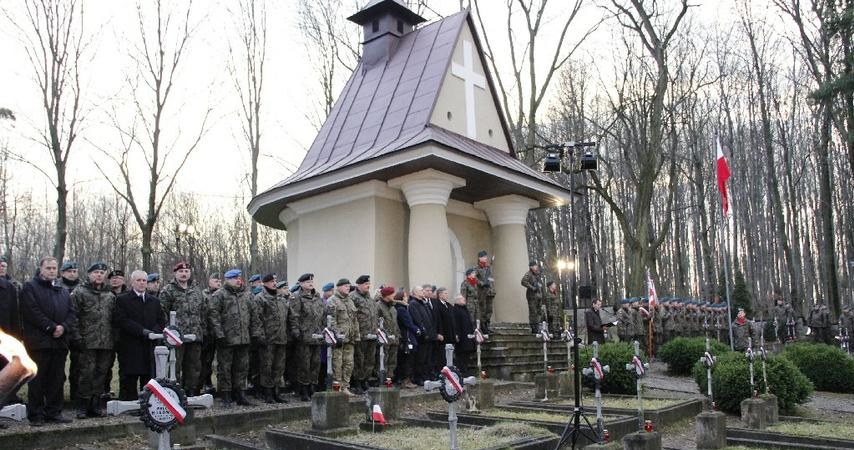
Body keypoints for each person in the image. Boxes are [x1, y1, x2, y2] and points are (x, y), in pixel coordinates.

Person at [21, 256, 76, 425]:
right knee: (38, 380)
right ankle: (36, 414)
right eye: (48, 268)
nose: (52, 271)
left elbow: (71, 313)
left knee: (57, 378)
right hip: (39, 342)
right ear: (41, 268)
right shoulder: (30, 287)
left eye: (54, 268)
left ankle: (54, 411)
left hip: (59, 342)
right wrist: (52, 327)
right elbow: (32, 312)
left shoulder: (62, 289)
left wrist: (63, 327)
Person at [208, 269, 260, 407]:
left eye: (239, 278)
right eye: (235, 278)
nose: (238, 280)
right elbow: (214, 316)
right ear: (227, 280)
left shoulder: (247, 295)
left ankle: (241, 393)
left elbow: (254, 316)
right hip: (227, 339)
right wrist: (219, 335)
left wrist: (255, 333)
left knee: (242, 367)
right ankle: (225, 395)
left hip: (243, 338)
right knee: (225, 368)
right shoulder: (219, 295)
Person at [69, 262, 115, 419]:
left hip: (106, 342)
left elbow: (113, 319)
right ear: (89, 274)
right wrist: (76, 337)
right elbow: (73, 317)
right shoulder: (79, 292)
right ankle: (82, 405)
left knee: (101, 374)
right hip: (87, 341)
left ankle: (96, 404)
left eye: (102, 273)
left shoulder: (110, 295)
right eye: (96, 272)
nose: (99, 275)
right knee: (85, 374)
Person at [114, 270, 165, 401]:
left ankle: (146, 403)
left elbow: (161, 320)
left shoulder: (154, 301)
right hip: (130, 344)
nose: (142, 283)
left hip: (149, 345)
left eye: (144, 281)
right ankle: (128, 403)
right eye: (139, 280)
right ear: (132, 282)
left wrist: (154, 332)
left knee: (148, 376)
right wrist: (142, 331)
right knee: (129, 376)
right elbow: (122, 320)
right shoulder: (122, 300)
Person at [158, 261, 207, 396]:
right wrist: (169, 332)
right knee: (175, 366)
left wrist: (203, 330)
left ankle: (191, 392)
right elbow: (162, 313)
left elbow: (203, 311)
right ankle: (173, 393)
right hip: (175, 337)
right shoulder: (168, 290)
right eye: (181, 271)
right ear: (175, 273)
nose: (184, 274)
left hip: (194, 335)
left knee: (193, 366)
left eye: (186, 271)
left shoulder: (196, 290)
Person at [254, 273, 297, 403]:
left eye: (275, 280)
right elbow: (257, 319)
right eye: (271, 281)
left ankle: (276, 392)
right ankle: (267, 393)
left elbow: (291, 316)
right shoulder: (260, 298)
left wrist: (294, 330)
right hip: (268, 339)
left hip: (281, 338)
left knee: (279, 367)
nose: (274, 283)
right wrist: (260, 335)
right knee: (267, 367)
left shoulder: (281, 298)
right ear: (265, 283)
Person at [292, 273, 324, 401]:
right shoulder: (297, 297)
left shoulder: (317, 297)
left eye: (311, 281)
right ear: (300, 284)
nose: (310, 283)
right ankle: (303, 390)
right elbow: (294, 316)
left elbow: (322, 314)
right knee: (304, 364)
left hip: (317, 336)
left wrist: (324, 330)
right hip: (304, 336)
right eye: (307, 282)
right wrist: (296, 331)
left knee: (315, 364)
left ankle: (312, 387)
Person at [326, 279, 359, 395]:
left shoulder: (350, 301)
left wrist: (356, 335)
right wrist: (336, 336)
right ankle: (337, 386)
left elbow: (355, 320)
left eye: (349, 286)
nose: (348, 288)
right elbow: (331, 320)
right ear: (338, 287)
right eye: (345, 286)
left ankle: (345, 386)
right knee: (337, 363)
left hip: (350, 338)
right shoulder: (332, 301)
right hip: (339, 339)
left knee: (349, 363)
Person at [351, 275, 378, 392]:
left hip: (371, 334)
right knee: (359, 360)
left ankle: (365, 380)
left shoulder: (369, 298)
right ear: (359, 285)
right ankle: (357, 382)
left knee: (369, 360)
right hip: (361, 334)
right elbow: (352, 317)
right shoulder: (353, 297)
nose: (368, 286)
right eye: (366, 284)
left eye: (369, 284)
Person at [408, 285, 435, 385]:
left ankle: (425, 376)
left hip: (428, 335)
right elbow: (418, 320)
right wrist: (424, 332)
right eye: (420, 290)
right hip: (421, 337)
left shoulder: (423, 303)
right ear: (414, 293)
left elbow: (429, 319)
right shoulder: (413, 304)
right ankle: (417, 377)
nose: (423, 292)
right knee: (420, 358)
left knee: (426, 358)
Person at [200, 272, 221, 394]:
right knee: (206, 361)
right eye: (215, 281)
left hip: (221, 333)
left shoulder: (223, 295)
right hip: (208, 333)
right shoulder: (204, 295)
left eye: (219, 281)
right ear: (209, 282)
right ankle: (206, 383)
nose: (218, 283)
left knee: (221, 362)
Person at [393, 289, 419, 388]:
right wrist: (416, 329)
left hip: (408, 336)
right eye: (405, 296)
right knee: (408, 360)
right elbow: (408, 323)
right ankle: (405, 380)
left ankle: (406, 379)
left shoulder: (404, 308)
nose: (407, 298)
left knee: (409, 359)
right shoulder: (401, 309)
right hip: (407, 337)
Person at [377, 285, 400, 384]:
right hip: (384, 339)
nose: (394, 295)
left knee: (392, 361)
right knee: (383, 360)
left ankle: (389, 379)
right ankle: (382, 379)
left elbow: (395, 322)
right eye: (392, 294)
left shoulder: (392, 308)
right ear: (387, 295)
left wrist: (398, 335)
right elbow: (376, 323)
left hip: (394, 338)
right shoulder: (378, 306)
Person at [433, 287, 457, 369]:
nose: (447, 295)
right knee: (442, 357)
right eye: (445, 293)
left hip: (450, 335)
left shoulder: (449, 305)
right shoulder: (437, 305)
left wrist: (455, 334)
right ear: (439, 294)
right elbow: (437, 320)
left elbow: (453, 321)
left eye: (447, 293)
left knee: (450, 357)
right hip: (443, 336)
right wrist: (439, 333)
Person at [452, 294, 475, 377]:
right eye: (462, 299)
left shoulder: (464, 309)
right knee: (461, 355)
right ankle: (461, 371)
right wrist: (456, 335)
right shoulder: (456, 310)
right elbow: (455, 324)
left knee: (466, 355)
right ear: (457, 301)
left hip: (467, 335)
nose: (464, 300)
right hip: (461, 337)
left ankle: (465, 370)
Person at [474, 250, 495, 334]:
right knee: (483, 309)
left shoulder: (488, 267)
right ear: (479, 258)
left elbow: (491, 278)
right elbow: (474, 278)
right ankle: (483, 327)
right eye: (484, 257)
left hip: (490, 291)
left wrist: (491, 284)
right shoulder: (476, 268)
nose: (486, 258)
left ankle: (487, 325)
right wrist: (482, 283)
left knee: (489, 310)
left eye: (486, 257)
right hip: (482, 292)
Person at [521, 260, 544, 333]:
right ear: (531, 267)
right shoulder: (529, 274)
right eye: (535, 266)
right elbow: (523, 282)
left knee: (538, 312)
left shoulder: (537, 275)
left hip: (538, 297)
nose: (536, 267)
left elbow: (539, 285)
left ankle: (537, 326)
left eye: (536, 266)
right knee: (533, 312)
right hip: (532, 297)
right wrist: (532, 287)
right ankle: (534, 327)